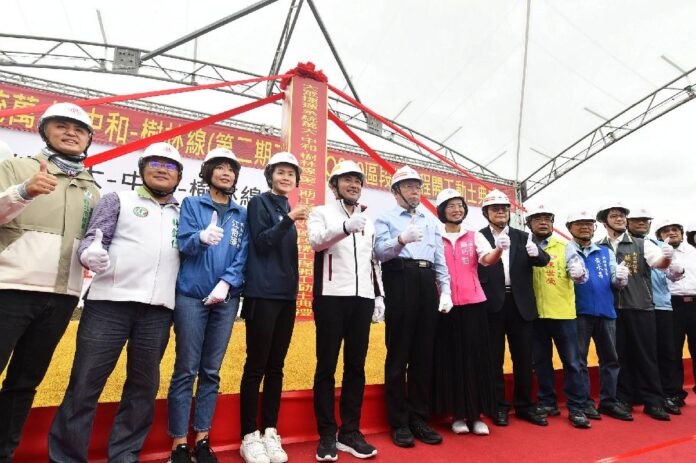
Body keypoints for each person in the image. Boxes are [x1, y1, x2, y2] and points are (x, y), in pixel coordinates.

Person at [48, 142, 183, 462]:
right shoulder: (118, 199)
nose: (162, 169)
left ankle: (125, 455)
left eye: (170, 166)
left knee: (142, 388)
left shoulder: (184, 213)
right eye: (155, 163)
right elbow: (94, 240)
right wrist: (89, 254)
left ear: (179, 176)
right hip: (109, 305)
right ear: (142, 169)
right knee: (84, 384)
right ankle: (66, 457)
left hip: (158, 311)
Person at [0, 102, 99, 461]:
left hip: (61, 297)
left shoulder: (92, 188)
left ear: (88, 139)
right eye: (62, 125)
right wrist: (23, 192)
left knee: (25, 382)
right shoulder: (17, 168)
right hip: (11, 288)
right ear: (45, 130)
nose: (71, 133)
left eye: (80, 129)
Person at [167, 148, 249, 463]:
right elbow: (183, 244)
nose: (226, 173)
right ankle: (179, 443)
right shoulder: (192, 204)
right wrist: (200, 238)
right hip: (191, 296)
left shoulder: (242, 214)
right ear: (208, 173)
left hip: (226, 299)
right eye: (220, 167)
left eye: (231, 169)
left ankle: (202, 438)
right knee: (186, 369)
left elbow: (244, 254)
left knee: (211, 370)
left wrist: (227, 283)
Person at [308, 160, 383, 461]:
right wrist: (343, 228)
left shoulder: (368, 221)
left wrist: (379, 296)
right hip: (331, 297)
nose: (353, 185)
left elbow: (373, 262)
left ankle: (349, 432)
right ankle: (327, 433)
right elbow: (316, 242)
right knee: (326, 366)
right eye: (347, 180)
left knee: (356, 366)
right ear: (334, 185)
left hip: (362, 298)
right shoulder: (321, 213)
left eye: (357, 181)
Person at [238, 152, 309, 463]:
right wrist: (289, 220)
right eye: (280, 172)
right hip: (262, 295)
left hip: (285, 297)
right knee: (256, 366)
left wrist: (289, 217)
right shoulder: (260, 203)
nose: (286, 177)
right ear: (270, 176)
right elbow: (262, 242)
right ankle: (248, 435)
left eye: (291, 174)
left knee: (276, 366)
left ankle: (269, 430)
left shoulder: (286, 208)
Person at [374, 165, 452, 448]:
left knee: (423, 354)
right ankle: (398, 421)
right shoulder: (385, 217)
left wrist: (445, 290)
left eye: (417, 186)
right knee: (398, 353)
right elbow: (379, 253)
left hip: (426, 280)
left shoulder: (430, 220)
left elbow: (439, 257)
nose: (415, 190)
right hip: (400, 277)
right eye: (408, 186)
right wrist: (400, 240)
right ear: (395, 192)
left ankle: (419, 417)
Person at [477, 190, 550, 427]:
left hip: (521, 304)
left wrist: (537, 253)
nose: (501, 212)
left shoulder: (523, 236)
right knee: (493, 359)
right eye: (495, 209)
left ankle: (525, 405)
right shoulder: (478, 236)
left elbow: (543, 260)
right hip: (492, 304)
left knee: (524, 358)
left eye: (504, 209)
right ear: (486, 213)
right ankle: (498, 406)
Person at [431, 188, 501, 437]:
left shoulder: (474, 236)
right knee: (451, 360)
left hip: (474, 304)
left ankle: (476, 415)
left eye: (460, 205)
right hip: (445, 306)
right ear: (442, 210)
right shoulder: (435, 236)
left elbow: (487, 259)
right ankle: (457, 415)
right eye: (451, 206)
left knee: (475, 359)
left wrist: (499, 249)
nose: (457, 210)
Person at [596, 202, 674, 421]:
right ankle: (623, 399)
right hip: (611, 310)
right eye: (614, 216)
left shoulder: (641, 243)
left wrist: (667, 257)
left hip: (640, 307)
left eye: (622, 215)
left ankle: (653, 401)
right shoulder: (598, 247)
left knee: (646, 356)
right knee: (618, 356)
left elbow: (659, 263)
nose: (620, 219)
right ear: (604, 221)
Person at [526, 205, 592, 429]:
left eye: (547, 218)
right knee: (541, 362)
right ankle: (547, 403)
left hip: (563, 314)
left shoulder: (565, 247)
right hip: (535, 315)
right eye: (537, 219)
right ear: (529, 223)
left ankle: (577, 408)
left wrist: (579, 273)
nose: (543, 222)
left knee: (572, 363)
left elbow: (580, 275)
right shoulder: (524, 246)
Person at [565, 209, 633, 421]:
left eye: (588, 223)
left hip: (606, 311)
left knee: (610, 359)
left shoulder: (605, 252)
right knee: (579, 360)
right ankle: (584, 402)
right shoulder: (566, 250)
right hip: (578, 312)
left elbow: (615, 282)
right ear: (570, 228)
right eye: (579, 223)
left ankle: (608, 402)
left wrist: (621, 279)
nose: (585, 227)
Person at [627, 212, 684, 415]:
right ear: (628, 222)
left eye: (645, 220)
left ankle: (668, 394)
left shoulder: (661, 246)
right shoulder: (623, 246)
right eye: (636, 220)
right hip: (635, 306)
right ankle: (639, 392)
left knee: (666, 352)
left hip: (661, 306)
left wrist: (673, 264)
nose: (642, 223)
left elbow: (674, 275)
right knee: (638, 352)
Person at [654, 218, 696, 408]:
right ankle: (673, 393)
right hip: (671, 305)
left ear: (681, 232)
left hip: (695, 302)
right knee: (671, 351)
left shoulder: (693, 251)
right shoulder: (655, 255)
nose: (671, 233)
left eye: (675, 229)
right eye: (666, 231)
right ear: (659, 236)